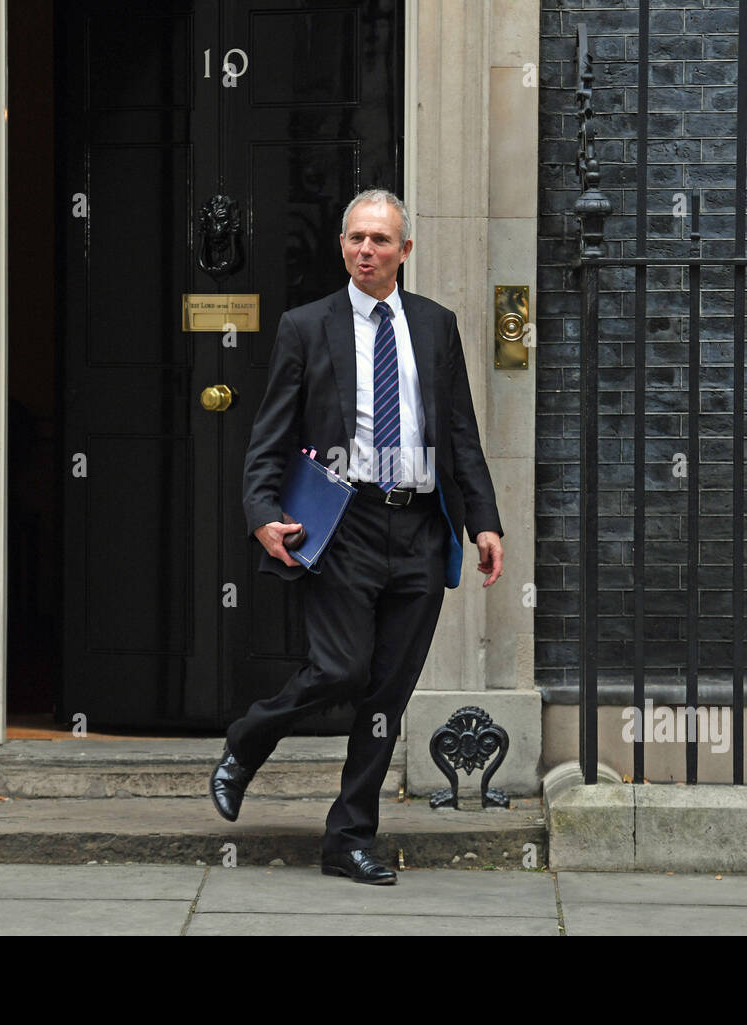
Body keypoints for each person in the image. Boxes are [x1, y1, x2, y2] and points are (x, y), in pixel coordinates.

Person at [210, 189, 504, 884]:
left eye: (380, 240)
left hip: (422, 528)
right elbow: (270, 434)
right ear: (342, 246)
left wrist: (483, 519)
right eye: (355, 239)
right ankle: (249, 739)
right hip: (346, 523)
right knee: (340, 669)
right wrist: (260, 512)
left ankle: (348, 836)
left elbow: (460, 432)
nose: (366, 250)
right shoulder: (305, 326)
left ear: (405, 251)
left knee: (387, 694)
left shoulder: (436, 326)